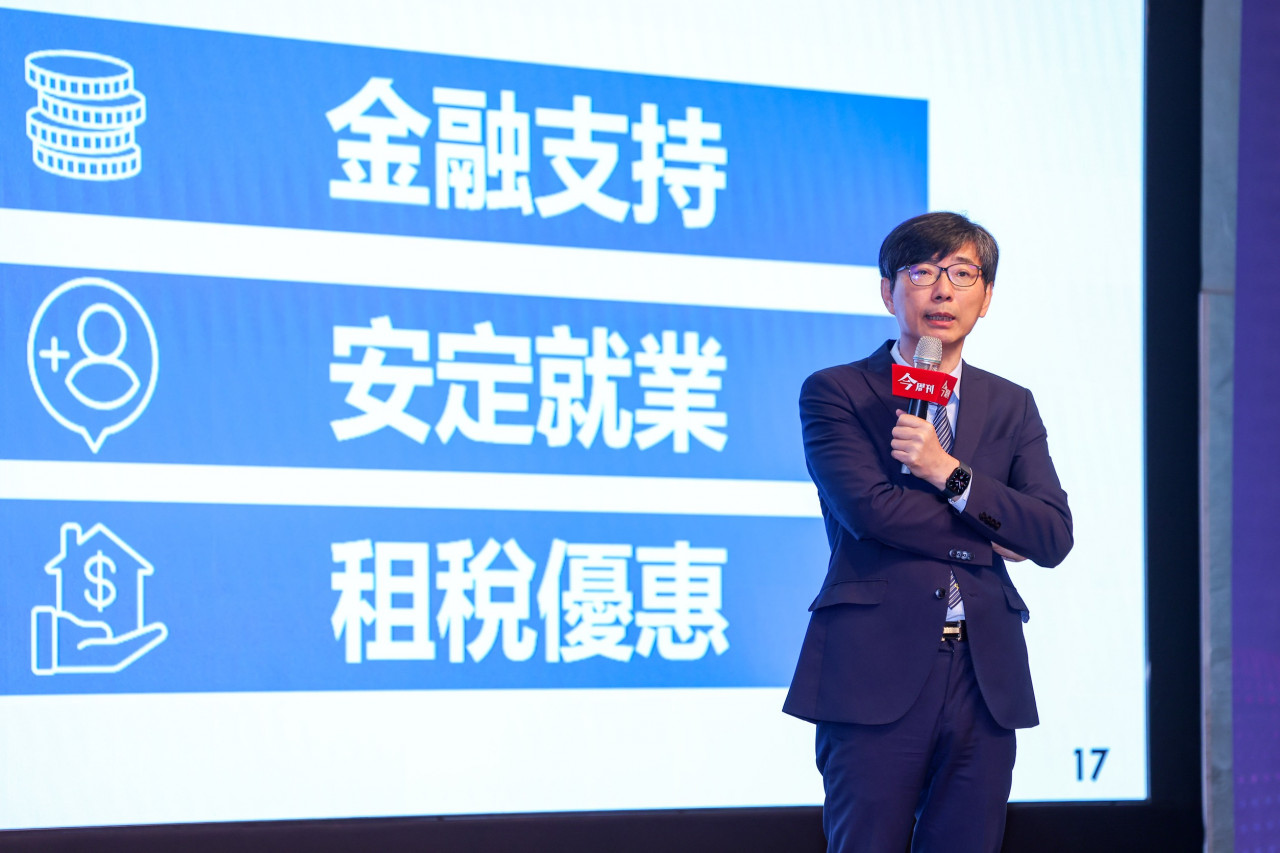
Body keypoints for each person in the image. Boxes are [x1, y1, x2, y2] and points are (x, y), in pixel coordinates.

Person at [782, 212, 1073, 852]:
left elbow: (1051, 535)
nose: (943, 290)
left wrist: (950, 474)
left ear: (985, 297)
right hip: (875, 666)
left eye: (963, 274)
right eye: (922, 273)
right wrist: (995, 531)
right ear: (888, 291)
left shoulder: (1012, 403)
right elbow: (871, 511)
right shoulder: (840, 392)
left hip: (984, 673)